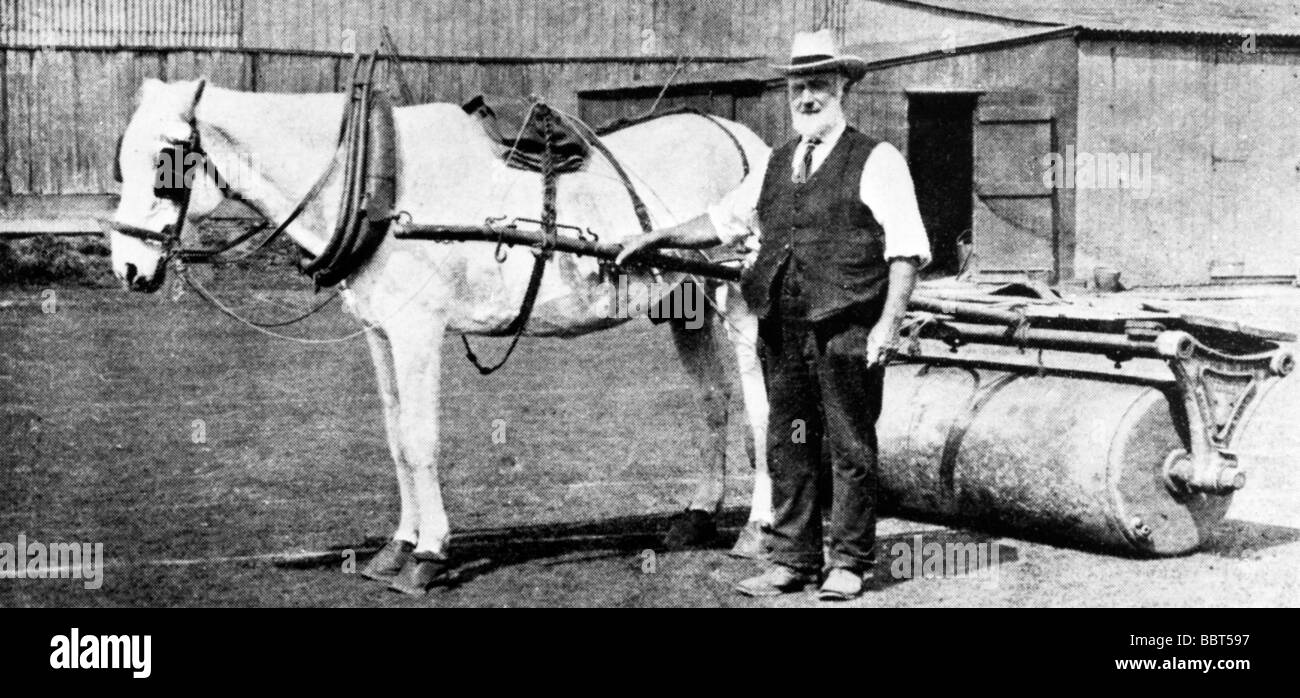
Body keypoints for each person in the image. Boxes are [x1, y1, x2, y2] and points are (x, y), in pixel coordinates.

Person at [616, 29, 930, 601]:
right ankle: (793, 560)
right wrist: (658, 235)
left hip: (846, 326)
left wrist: (888, 324)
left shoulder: (876, 159)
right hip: (781, 327)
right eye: (798, 88)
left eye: (818, 86)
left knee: (850, 447)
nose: (807, 98)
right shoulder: (777, 163)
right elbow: (722, 220)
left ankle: (850, 563)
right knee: (789, 442)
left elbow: (906, 251)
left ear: (843, 89)